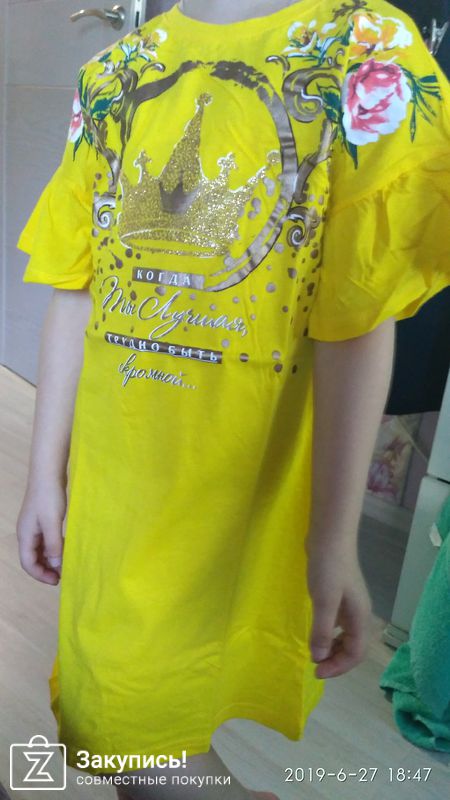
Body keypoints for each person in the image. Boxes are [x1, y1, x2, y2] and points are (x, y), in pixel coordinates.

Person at [15, 0, 450, 798]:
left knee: (128, 731)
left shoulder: (367, 47)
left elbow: (357, 315)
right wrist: (44, 472)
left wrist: (332, 538)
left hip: (241, 489)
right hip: (117, 484)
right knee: (109, 714)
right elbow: (76, 285)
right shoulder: (117, 69)